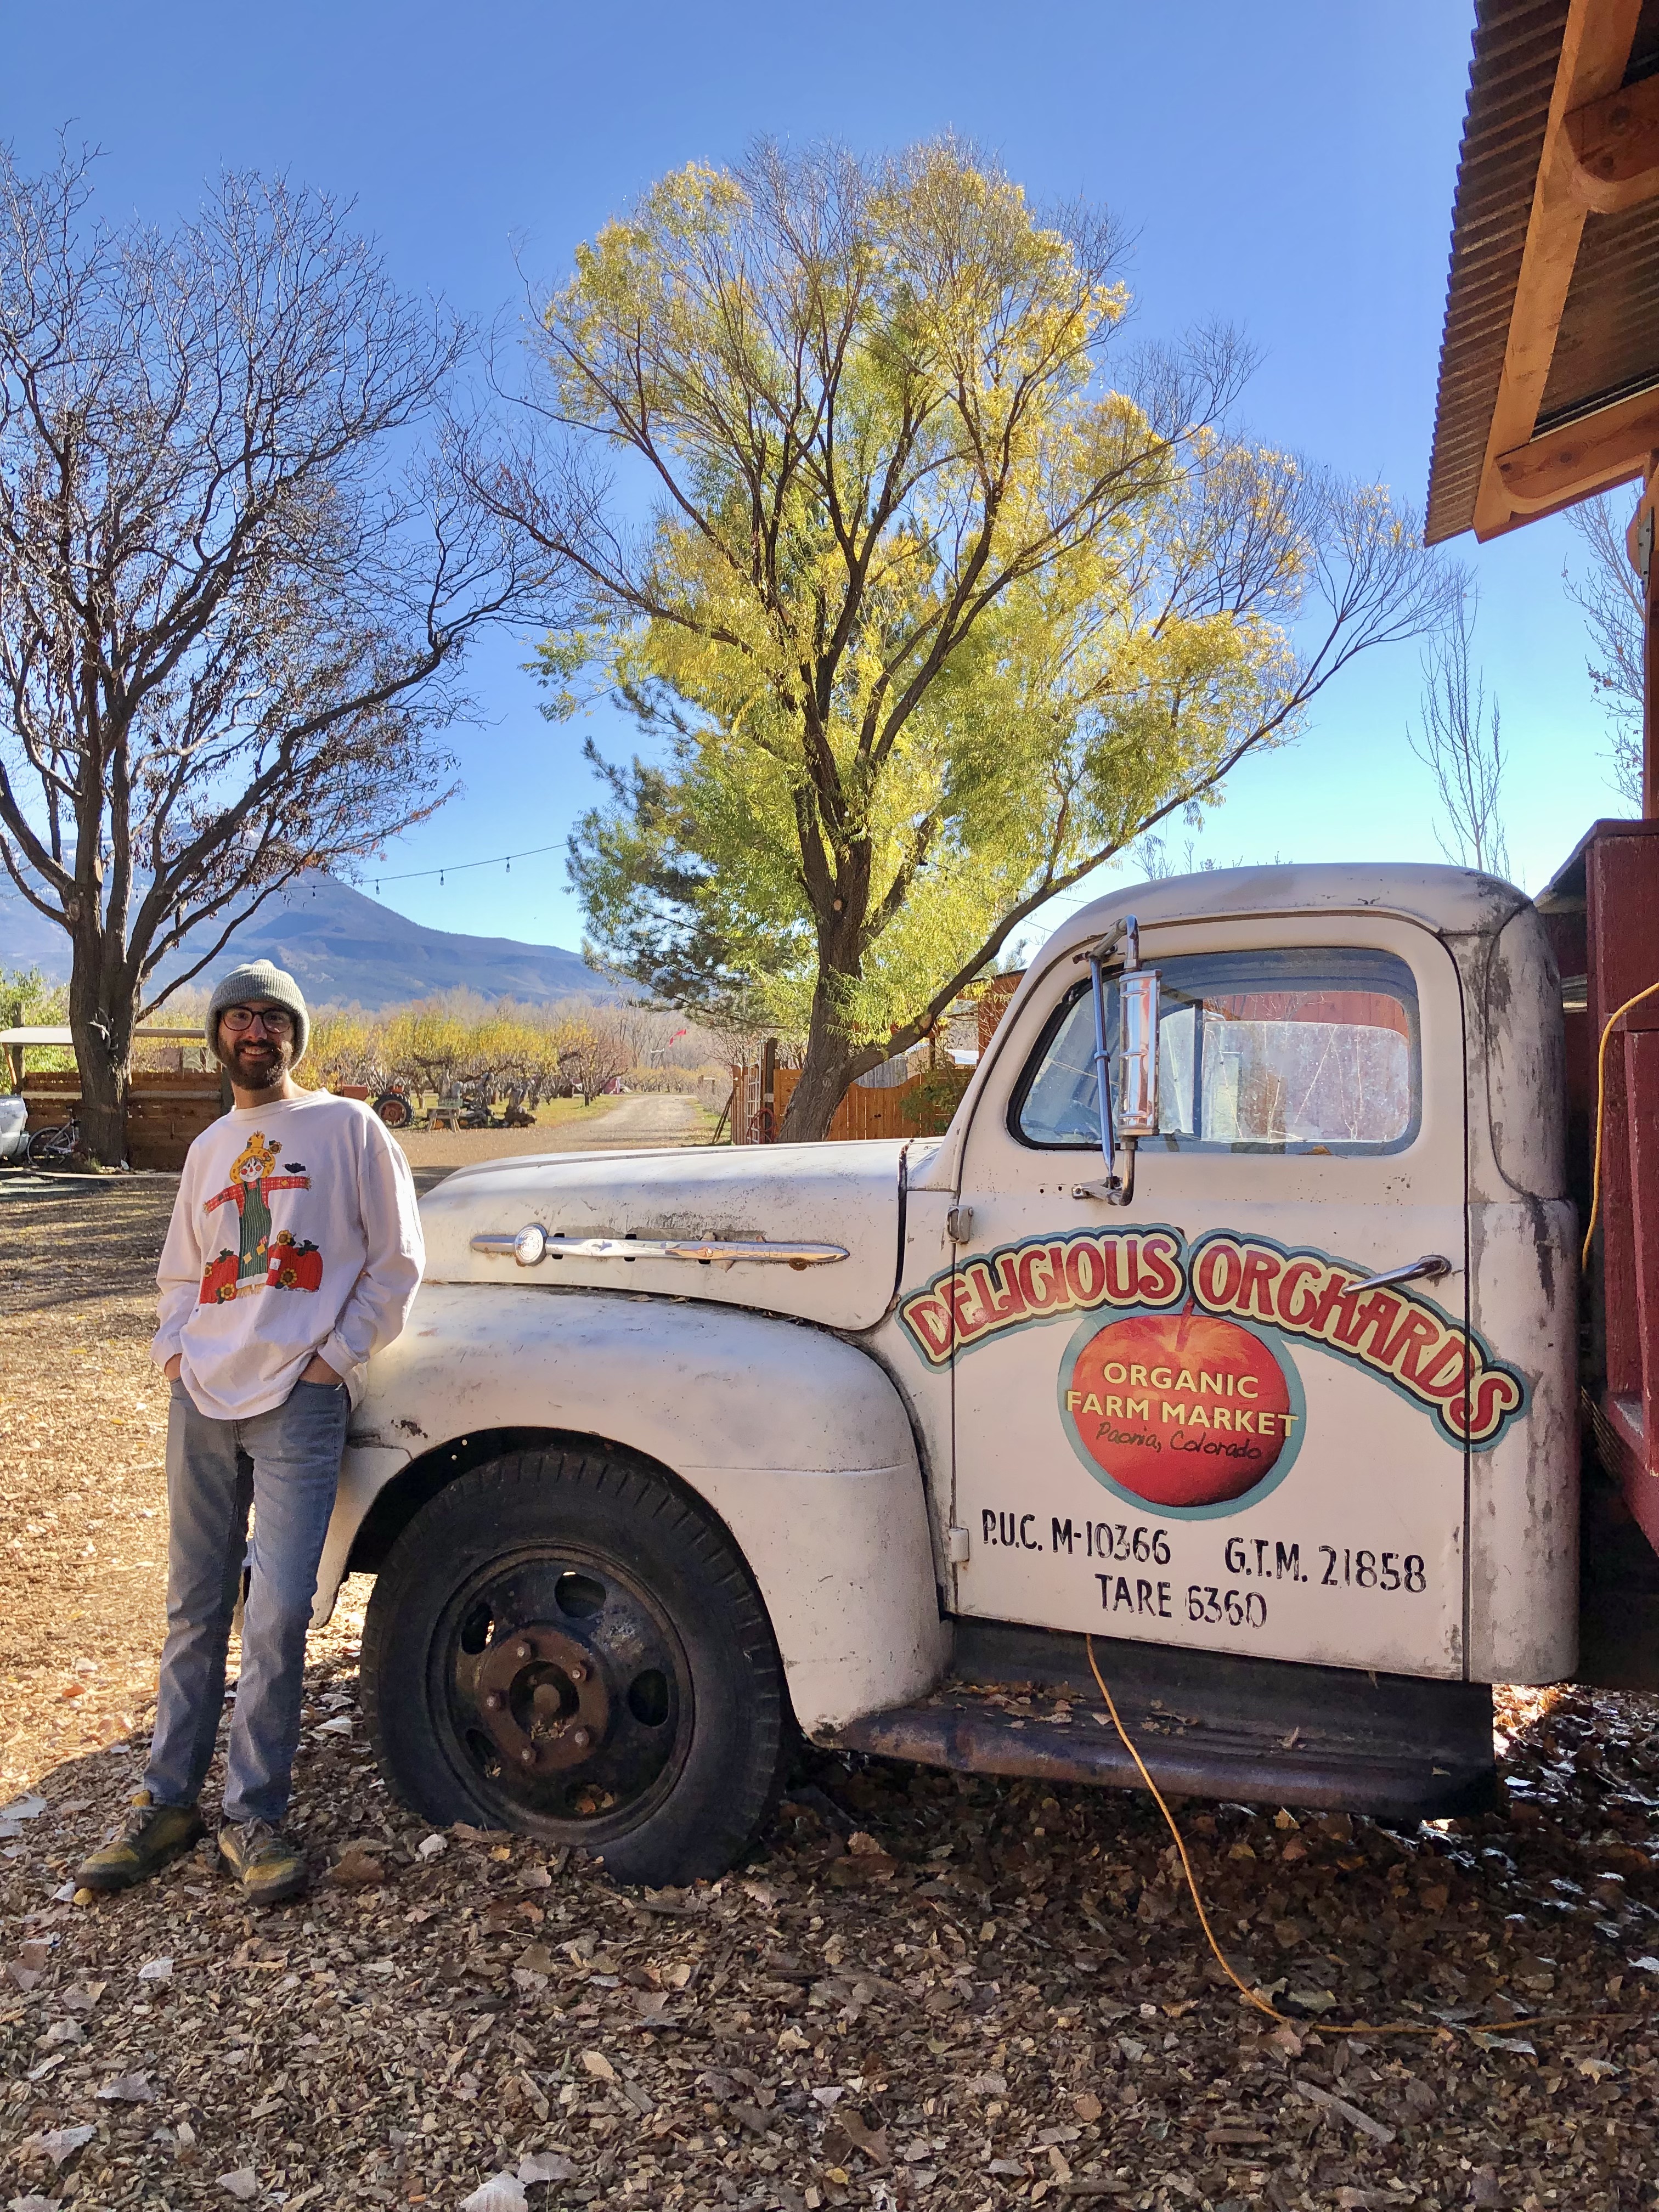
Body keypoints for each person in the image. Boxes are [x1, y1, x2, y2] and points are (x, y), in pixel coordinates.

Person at [78, 961, 424, 1905]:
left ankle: (254, 1814)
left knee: (275, 1615)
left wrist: (330, 1362)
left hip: (299, 1403)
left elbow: (397, 1263)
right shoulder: (210, 1149)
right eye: (239, 1018)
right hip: (202, 1399)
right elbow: (183, 1273)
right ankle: (168, 1801)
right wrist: (174, 1355)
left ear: (296, 1037)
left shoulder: (349, 1129)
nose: (256, 1031)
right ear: (218, 1036)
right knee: (193, 1609)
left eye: (274, 1018)